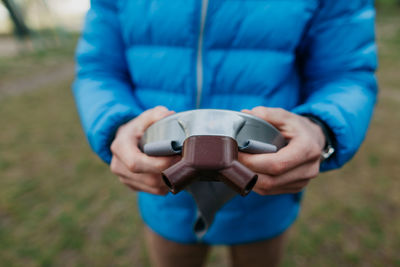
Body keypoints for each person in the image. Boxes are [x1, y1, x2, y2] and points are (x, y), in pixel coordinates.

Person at [73, 0, 378, 266]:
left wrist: (320, 127)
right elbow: (98, 67)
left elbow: (346, 71)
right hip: (162, 182)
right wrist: (116, 126)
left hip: (266, 184)